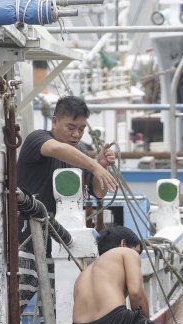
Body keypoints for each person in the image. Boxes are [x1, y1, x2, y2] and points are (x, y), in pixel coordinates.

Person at [16, 95, 118, 312]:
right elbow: (55, 149)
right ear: (54, 121)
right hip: (23, 246)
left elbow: (98, 193)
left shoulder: (80, 152)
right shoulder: (37, 139)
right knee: (9, 312)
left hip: (58, 249)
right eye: (71, 127)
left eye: (81, 129)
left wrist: (101, 166)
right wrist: (94, 166)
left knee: (54, 316)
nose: (76, 134)